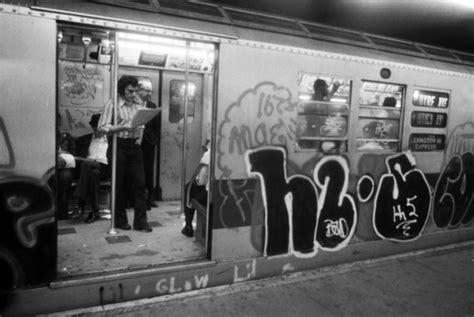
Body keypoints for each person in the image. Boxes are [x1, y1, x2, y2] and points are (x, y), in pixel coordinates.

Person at [98, 75, 152, 233]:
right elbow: (102, 127)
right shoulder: (113, 104)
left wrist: (139, 139)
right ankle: (121, 220)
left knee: (140, 184)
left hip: (134, 146)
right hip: (118, 145)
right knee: (119, 185)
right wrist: (123, 127)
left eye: (135, 91)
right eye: (130, 91)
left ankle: (141, 222)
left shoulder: (138, 103)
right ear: (122, 90)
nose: (133, 94)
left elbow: (140, 123)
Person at [72, 114, 110, 224]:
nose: (98, 131)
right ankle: (95, 212)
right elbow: (76, 157)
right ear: (92, 127)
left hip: (104, 167)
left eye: (100, 128)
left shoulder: (111, 140)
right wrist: (86, 161)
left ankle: (80, 204)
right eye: (95, 128)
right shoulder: (84, 139)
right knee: (93, 173)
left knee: (88, 166)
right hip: (89, 169)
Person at [137, 77, 161, 210]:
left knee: (148, 171)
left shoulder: (152, 106)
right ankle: (135, 199)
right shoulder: (133, 105)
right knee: (136, 172)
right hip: (135, 143)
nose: (149, 94)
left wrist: (154, 139)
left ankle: (149, 199)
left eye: (151, 91)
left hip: (148, 144)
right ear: (139, 90)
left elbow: (156, 126)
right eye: (147, 91)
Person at [181, 140, 210, 238]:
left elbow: (201, 180)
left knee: (188, 188)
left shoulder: (209, 155)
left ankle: (188, 226)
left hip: (208, 196)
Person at [57, 114, 77, 220]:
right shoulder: (45, 135)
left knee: (66, 176)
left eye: (57, 122)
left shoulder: (66, 136)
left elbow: (74, 152)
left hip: (64, 167)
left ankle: (62, 211)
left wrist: (65, 152)